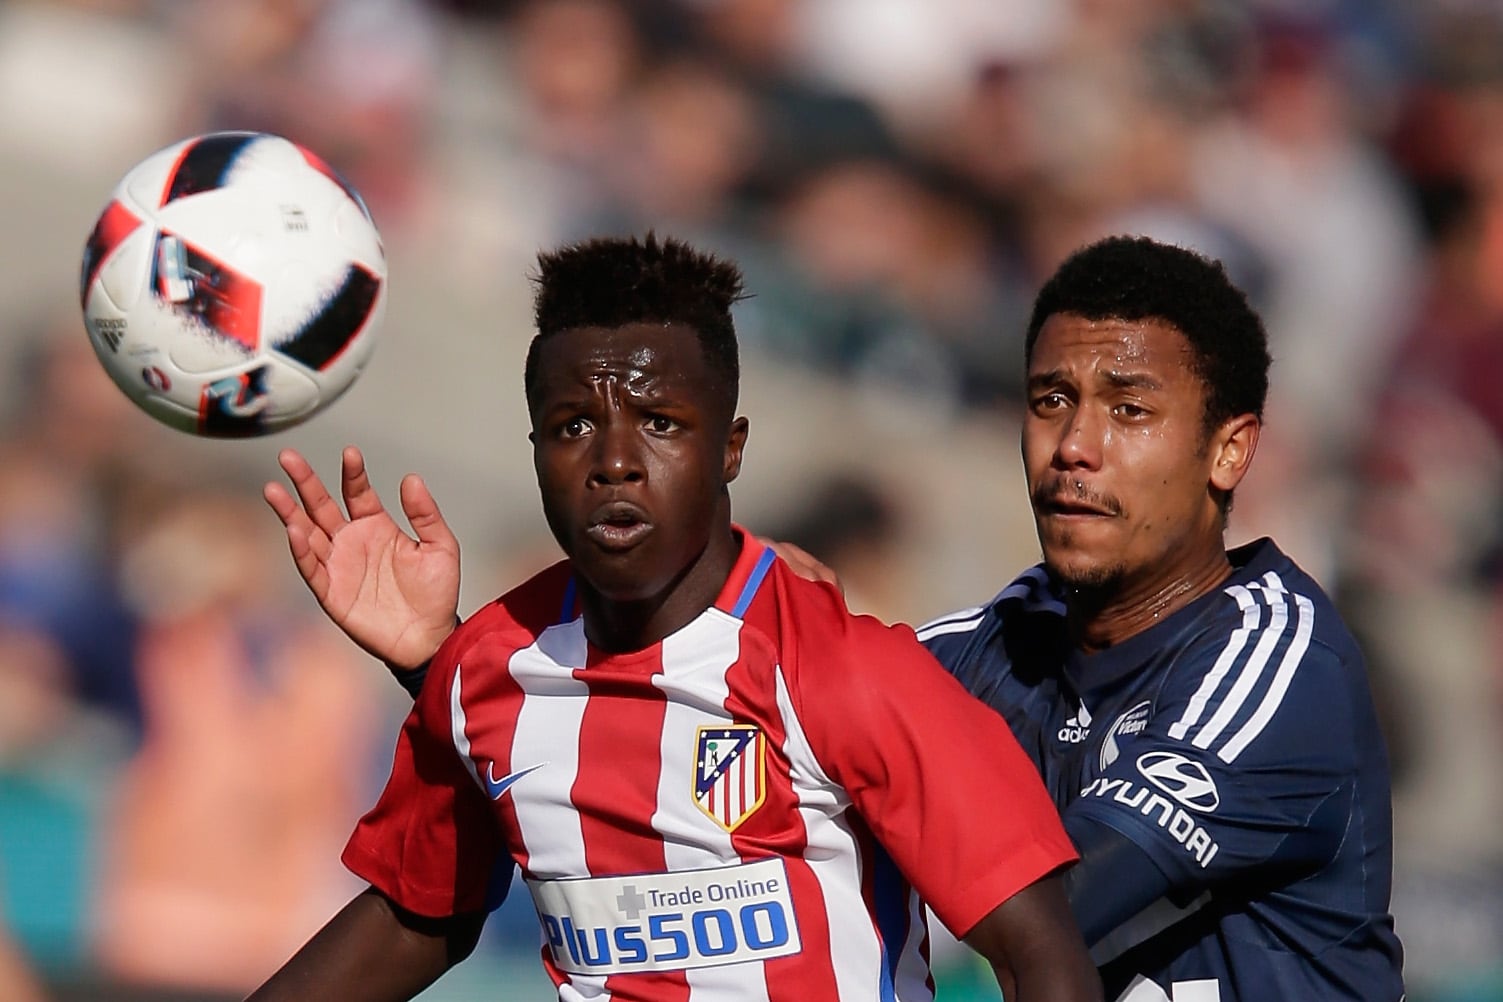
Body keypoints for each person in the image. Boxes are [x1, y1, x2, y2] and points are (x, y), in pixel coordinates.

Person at [248, 234, 1101, 1001]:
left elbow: (1038, 956)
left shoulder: (846, 671)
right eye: (572, 424)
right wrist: (431, 664)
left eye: (660, 423)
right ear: (536, 448)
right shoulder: (478, 673)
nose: (614, 461)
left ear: (728, 446)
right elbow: (419, 912)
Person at [904, 235, 1405, 1001]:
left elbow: (1044, 912)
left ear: (1229, 452)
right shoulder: (991, 645)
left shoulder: (1277, 665)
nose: (1074, 446)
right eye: (1050, 402)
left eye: (1128, 410)